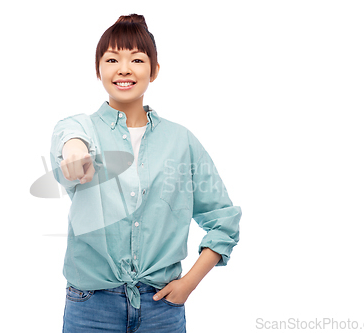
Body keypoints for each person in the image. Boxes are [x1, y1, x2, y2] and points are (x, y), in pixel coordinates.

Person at [50, 13, 242, 333]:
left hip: (161, 308)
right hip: (90, 307)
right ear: (98, 69)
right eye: (112, 59)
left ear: (154, 71)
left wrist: (188, 284)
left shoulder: (181, 141)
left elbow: (224, 219)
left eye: (136, 60)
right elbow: (68, 140)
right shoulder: (80, 128)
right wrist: (74, 154)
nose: (124, 69)